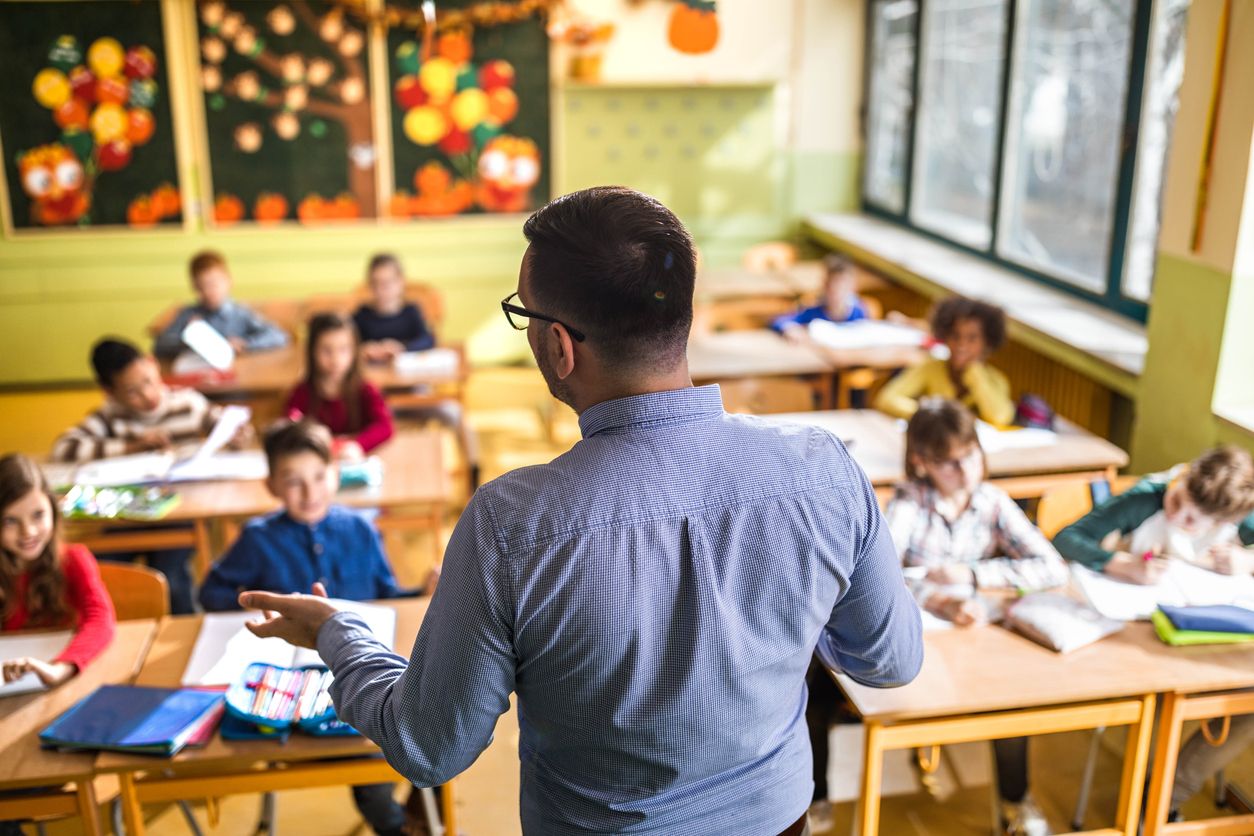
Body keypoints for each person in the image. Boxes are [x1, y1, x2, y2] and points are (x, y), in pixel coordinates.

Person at [238, 186, 923, 836]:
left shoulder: (511, 524)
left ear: (558, 346)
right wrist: (781, 614)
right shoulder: (823, 469)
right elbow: (890, 660)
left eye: (524, 314)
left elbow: (430, 746)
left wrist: (338, 636)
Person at [199, 420, 436, 836]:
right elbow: (212, 592)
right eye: (293, 482)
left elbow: (387, 595)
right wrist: (257, 614)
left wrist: (422, 591)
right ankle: (398, 826)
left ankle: (420, 813)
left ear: (336, 473)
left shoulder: (360, 528)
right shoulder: (257, 538)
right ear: (272, 485)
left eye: (318, 477)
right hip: (287, 686)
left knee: (430, 730)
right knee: (374, 764)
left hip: (360, 670)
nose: (309, 493)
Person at [886, 399, 1066, 836]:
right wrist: (939, 600)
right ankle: (819, 801)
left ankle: (1014, 801)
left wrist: (971, 574)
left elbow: (1052, 568)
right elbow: (881, 575)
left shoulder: (992, 502)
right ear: (921, 463)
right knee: (826, 694)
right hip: (925, 638)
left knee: (1010, 701)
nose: (964, 472)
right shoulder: (910, 502)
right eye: (948, 463)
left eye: (970, 456)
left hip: (978, 638)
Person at [1053, 445, 1254, 823]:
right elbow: (1066, 537)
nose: (1177, 515)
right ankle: (1155, 805)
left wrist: (1247, 560)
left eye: (1194, 519)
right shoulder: (1147, 498)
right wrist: (1120, 564)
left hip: (1208, 637)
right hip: (1141, 634)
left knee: (1245, 702)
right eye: (1179, 500)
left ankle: (1161, 798)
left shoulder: (1242, 513)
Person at [51, 338, 244, 613]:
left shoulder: (186, 403)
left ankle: (182, 629)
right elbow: (64, 447)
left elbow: (222, 423)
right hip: (126, 515)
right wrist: (131, 447)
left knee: (171, 575)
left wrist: (235, 434)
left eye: (149, 380)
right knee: (104, 570)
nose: (148, 394)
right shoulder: (108, 418)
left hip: (178, 511)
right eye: (133, 391)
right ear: (110, 392)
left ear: (153, 366)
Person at [0, 454, 117, 687]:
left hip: (64, 682)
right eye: (10, 521)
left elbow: (101, 620)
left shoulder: (74, 560)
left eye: (38, 515)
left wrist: (60, 669)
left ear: (53, 510)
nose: (28, 532)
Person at [874, 296, 1015, 425]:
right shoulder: (930, 366)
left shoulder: (996, 380)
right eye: (955, 336)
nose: (962, 345)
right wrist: (935, 416)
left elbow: (1001, 417)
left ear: (987, 342)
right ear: (945, 336)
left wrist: (976, 375)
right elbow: (886, 399)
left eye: (972, 338)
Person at [286, 313, 394, 460]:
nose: (335, 359)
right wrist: (309, 435)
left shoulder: (366, 390)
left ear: (354, 351)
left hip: (356, 462)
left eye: (343, 350)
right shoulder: (302, 392)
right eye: (326, 350)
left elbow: (385, 426)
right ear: (312, 352)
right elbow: (289, 425)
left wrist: (358, 445)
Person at [153, 250, 288, 360]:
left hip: (236, 380)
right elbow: (160, 345)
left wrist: (246, 344)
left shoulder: (240, 313)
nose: (209, 291)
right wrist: (189, 340)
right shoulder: (189, 314)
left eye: (214, 284)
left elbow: (278, 336)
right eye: (202, 286)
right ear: (194, 287)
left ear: (228, 281)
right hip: (199, 378)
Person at [353, 254, 436, 363]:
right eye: (375, 283)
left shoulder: (411, 312)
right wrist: (363, 349)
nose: (380, 290)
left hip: (408, 375)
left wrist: (402, 348)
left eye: (386, 283)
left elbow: (428, 340)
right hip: (374, 374)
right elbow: (348, 343)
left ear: (400, 282)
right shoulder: (362, 315)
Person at [770, 254, 869, 340]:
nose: (837, 291)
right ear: (825, 285)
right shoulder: (814, 312)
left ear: (852, 287)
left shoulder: (859, 311)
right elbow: (780, 320)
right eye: (832, 285)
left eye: (842, 286)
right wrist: (790, 328)